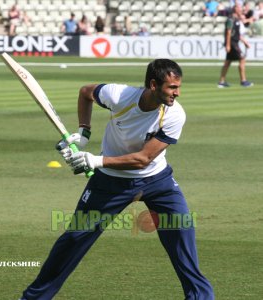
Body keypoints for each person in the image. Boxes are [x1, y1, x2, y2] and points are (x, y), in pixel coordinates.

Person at [20, 59, 215, 300]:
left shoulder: (175, 114)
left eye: (178, 87)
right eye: (172, 87)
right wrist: (83, 133)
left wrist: (95, 161)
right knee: (74, 239)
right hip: (110, 183)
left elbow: (143, 159)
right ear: (153, 85)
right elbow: (85, 92)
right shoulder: (119, 95)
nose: (177, 92)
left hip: (157, 181)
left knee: (182, 232)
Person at [218, 4, 253, 87]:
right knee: (242, 59)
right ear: (235, 9)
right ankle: (243, 81)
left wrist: (244, 42)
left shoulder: (236, 20)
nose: (241, 9)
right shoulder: (231, 20)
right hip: (232, 43)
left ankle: (221, 82)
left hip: (234, 42)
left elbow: (237, 34)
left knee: (227, 62)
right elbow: (229, 32)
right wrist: (228, 45)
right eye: (239, 8)